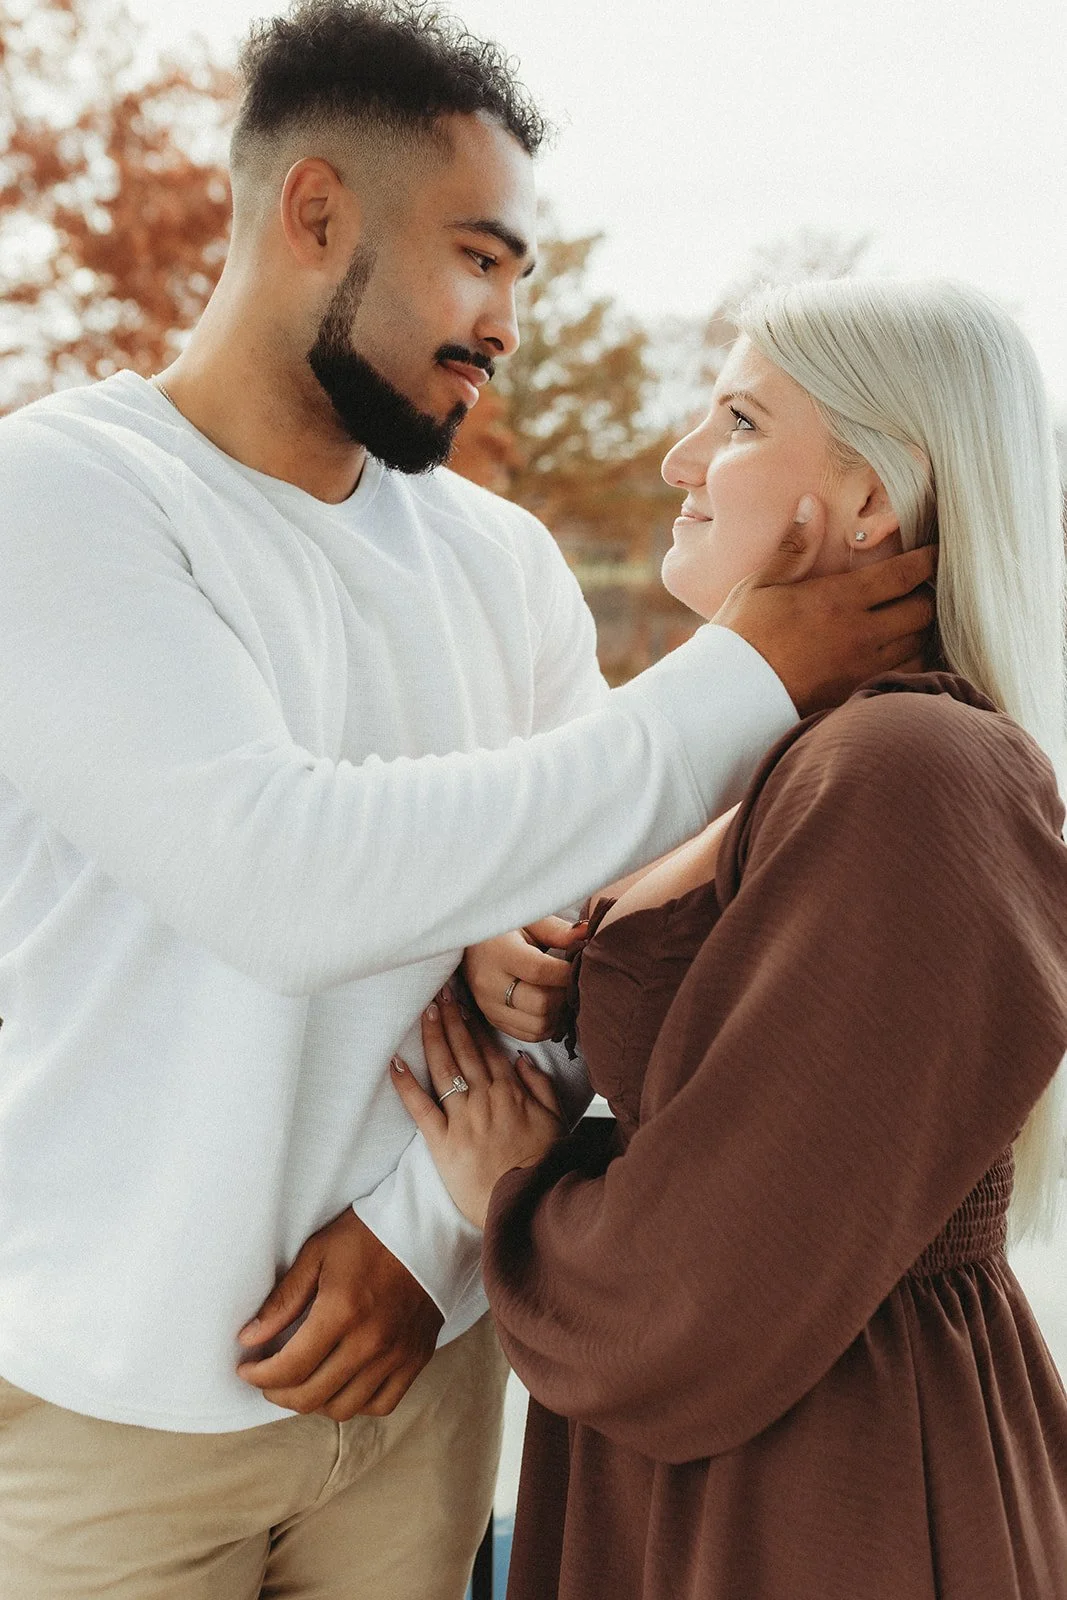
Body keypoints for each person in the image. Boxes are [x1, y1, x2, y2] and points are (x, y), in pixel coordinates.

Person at [0, 2, 938, 1595]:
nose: (507, 318)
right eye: (481, 258)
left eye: (523, 273)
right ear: (315, 215)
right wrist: (739, 674)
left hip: (426, 1382)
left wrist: (413, 1238)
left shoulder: (497, 560)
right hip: (108, 1415)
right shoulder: (66, 501)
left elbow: (594, 946)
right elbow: (279, 882)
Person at [394, 276, 1067, 1599]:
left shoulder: (908, 762)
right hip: (735, 1442)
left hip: (819, 1481)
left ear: (873, 495)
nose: (678, 459)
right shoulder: (794, 748)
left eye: (740, 420)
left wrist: (515, 1194)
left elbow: (707, 1285)